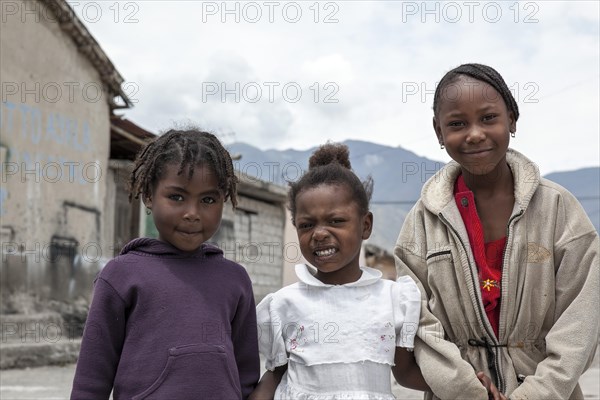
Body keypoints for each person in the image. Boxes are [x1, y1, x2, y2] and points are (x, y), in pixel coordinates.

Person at [395, 63, 599, 400]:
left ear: (512, 119)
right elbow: (419, 324)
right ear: (438, 132)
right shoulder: (421, 223)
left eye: (488, 118)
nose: (474, 133)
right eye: (457, 123)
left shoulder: (559, 209)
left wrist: (535, 393)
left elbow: (582, 319)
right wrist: (466, 390)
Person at [70, 129, 260, 399]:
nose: (192, 214)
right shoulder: (122, 275)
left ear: (223, 201)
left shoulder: (235, 279)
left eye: (208, 200)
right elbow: (91, 381)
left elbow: (246, 377)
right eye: (177, 197)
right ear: (149, 195)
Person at [249, 142, 429, 400]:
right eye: (307, 225)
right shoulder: (284, 304)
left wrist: (464, 384)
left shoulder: (393, 299)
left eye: (336, 221)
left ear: (365, 225)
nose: (319, 234)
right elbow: (275, 374)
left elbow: (405, 373)